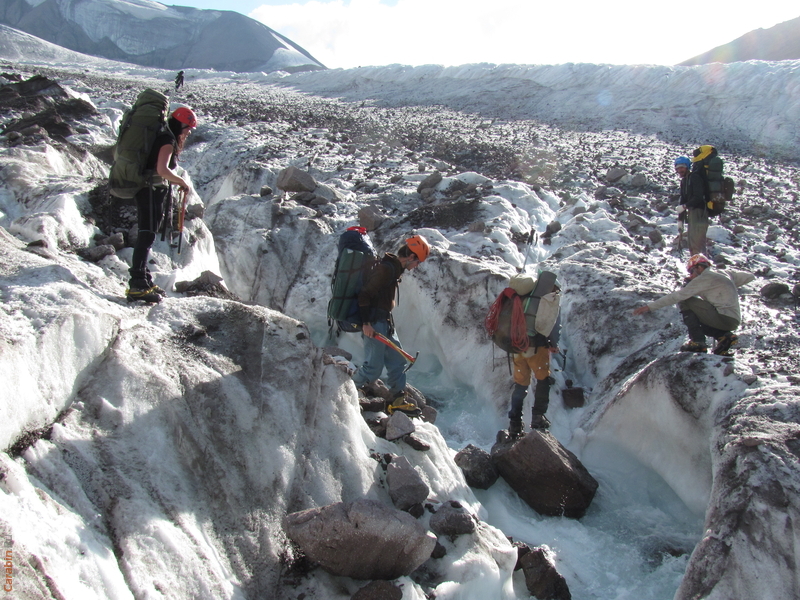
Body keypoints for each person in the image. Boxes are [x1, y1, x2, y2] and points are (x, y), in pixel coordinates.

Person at [352, 235, 430, 415]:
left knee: (397, 360)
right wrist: (366, 323)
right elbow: (364, 295)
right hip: (374, 323)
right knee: (373, 368)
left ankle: (397, 400)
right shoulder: (386, 269)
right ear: (410, 257)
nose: (416, 266)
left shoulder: (394, 270)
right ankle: (347, 392)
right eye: (417, 262)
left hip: (384, 322)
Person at [126, 106, 197, 302]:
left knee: (146, 234)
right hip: (151, 191)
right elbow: (162, 169)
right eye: (188, 127)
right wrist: (181, 182)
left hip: (149, 190)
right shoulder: (167, 140)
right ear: (180, 124)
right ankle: (136, 284)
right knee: (146, 235)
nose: (188, 132)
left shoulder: (163, 136)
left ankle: (143, 279)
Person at [632, 254, 739, 355]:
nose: (690, 275)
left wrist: (649, 307)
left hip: (723, 318)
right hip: (732, 320)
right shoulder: (721, 274)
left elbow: (677, 296)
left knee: (686, 301)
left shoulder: (704, 278)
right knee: (698, 318)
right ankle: (724, 336)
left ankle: (697, 342)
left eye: (691, 271)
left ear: (699, 268)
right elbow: (749, 277)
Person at [508, 273, 561, 435]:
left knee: (521, 385)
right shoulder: (549, 301)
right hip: (537, 348)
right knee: (543, 379)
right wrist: (553, 344)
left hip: (517, 347)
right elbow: (552, 325)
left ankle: (515, 424)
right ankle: (538, 417)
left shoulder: (525, 296)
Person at [684, 147, 714, 256]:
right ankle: (698, 266)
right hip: (700, 210)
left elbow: (698, 196)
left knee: (696, 240)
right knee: (696, 240)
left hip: (698, 210)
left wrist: (686, 205)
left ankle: (700, 267)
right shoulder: (698, 172)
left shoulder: (696, 176)